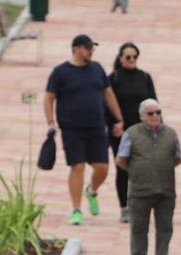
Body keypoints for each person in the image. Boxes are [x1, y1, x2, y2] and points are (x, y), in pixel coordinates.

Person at [44, 35, 126, 226]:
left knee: (103, 168)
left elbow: (108, 94)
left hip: (97, 126)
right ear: (76, 49)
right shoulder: (61, 72)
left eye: (92, 48)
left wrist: (119, 118)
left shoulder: (97, 69)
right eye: (88, 48)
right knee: (77, 166)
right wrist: (50, 121)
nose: (91, 51)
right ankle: (76, 209)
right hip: (72, 128)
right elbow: (49, 98)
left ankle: (92, 191)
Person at [117, 99, 181, 255]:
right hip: (139, 191)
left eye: (158, 112)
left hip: (165, 191)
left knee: (165, 228)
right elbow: (121, 159)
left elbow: (177, 158)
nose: (155, 116)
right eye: (150, 113)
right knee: (138, 228)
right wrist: (138, 171)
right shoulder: (131, 133)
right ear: (141, 116)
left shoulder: (170, 133)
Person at [108, 42, 159, 224]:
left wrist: (156, 126)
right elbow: (106, 104)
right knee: (123, 168)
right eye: (127, 57)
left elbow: (153, 102)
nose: (131, 60)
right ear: (120, 58)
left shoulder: (144, 77)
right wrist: (114, 125)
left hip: (142, 130)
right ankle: (124, 207)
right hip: (120, 131)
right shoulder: (113, 79)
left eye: (134, 57)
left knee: (141, 168)